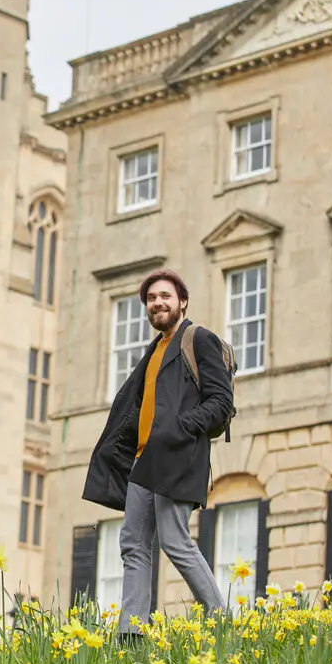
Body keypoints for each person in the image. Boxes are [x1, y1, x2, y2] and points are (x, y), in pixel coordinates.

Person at [82, 268, 234, 640]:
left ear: (182, 302)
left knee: (175, 540)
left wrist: (180, 428)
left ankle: (221, 623)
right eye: (151, 299)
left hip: (177, 456)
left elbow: (221, 402)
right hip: (143, 460)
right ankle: (132, 635)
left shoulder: (198, 340)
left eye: (165, 296)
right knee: (133, 543)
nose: (158, 303)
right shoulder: (153, 353)